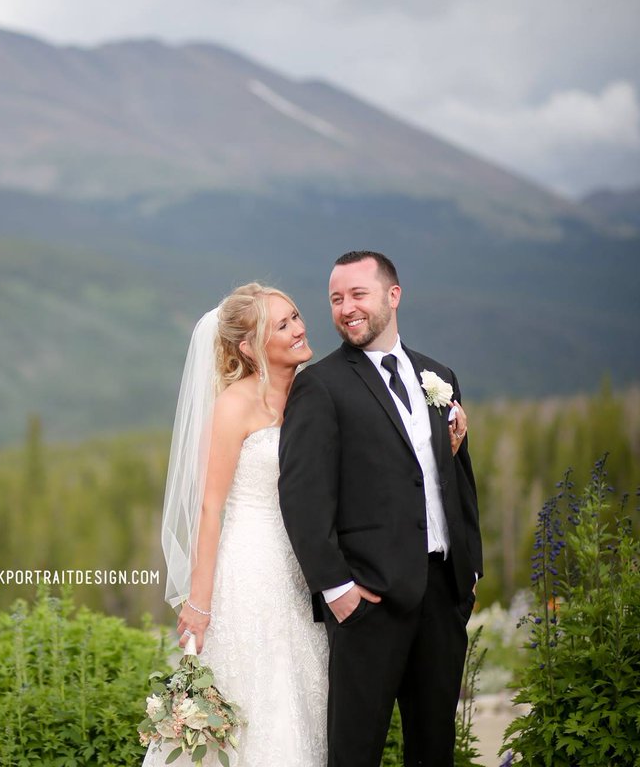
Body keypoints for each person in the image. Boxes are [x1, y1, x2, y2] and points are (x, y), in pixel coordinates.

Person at [148, 281, 469, 767]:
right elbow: (211, 508)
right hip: (252, 569)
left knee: (313, 699)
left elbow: (373, 469)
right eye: (282, 325)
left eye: (296, 316)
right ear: (248, 345)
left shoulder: (318, 388)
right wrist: (198, 601)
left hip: (310, 570)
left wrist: (440, 450)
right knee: (261, 697)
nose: (300, 328)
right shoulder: (234, 405)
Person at [278, 251, 482, 767]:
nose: (346, 308)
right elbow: (302, 495)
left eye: (357, 295)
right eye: (336, 299)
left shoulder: (440, 376)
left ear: (393, 295)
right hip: (368, 600)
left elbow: (457, 478)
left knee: (435, 747)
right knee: (355, 751)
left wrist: (470, 570)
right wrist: (337, 590)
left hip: (443, 594)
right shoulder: (319, 385)